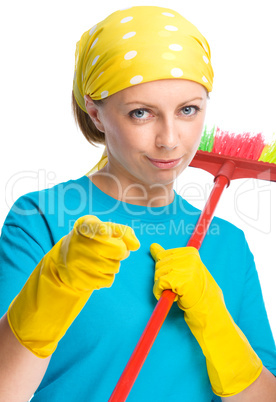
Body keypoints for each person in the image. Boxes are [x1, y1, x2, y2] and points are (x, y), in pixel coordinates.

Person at [0, 5, 275, 401]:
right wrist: (57, 285)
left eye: (188, 110)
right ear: (95, 112)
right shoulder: (43, 219)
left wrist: (217, 326)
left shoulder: (227, 243)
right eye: (141, 113)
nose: (169, 139)